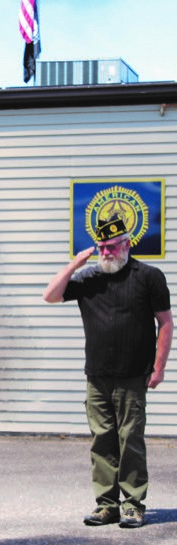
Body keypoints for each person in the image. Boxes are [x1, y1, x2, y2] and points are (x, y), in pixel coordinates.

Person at [43, 216, 173, 528]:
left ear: (127, 243)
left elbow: (165, 322)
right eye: (101, 246)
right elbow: (49, 295)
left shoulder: (149, 276)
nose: (106, 251)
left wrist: (159, 368)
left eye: (112, 245)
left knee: (130, 439)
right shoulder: (88, 278)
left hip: (132, 375)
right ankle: (106, 505)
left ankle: (132, 505)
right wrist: (74, 265)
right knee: (102, 441)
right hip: (97, 375)